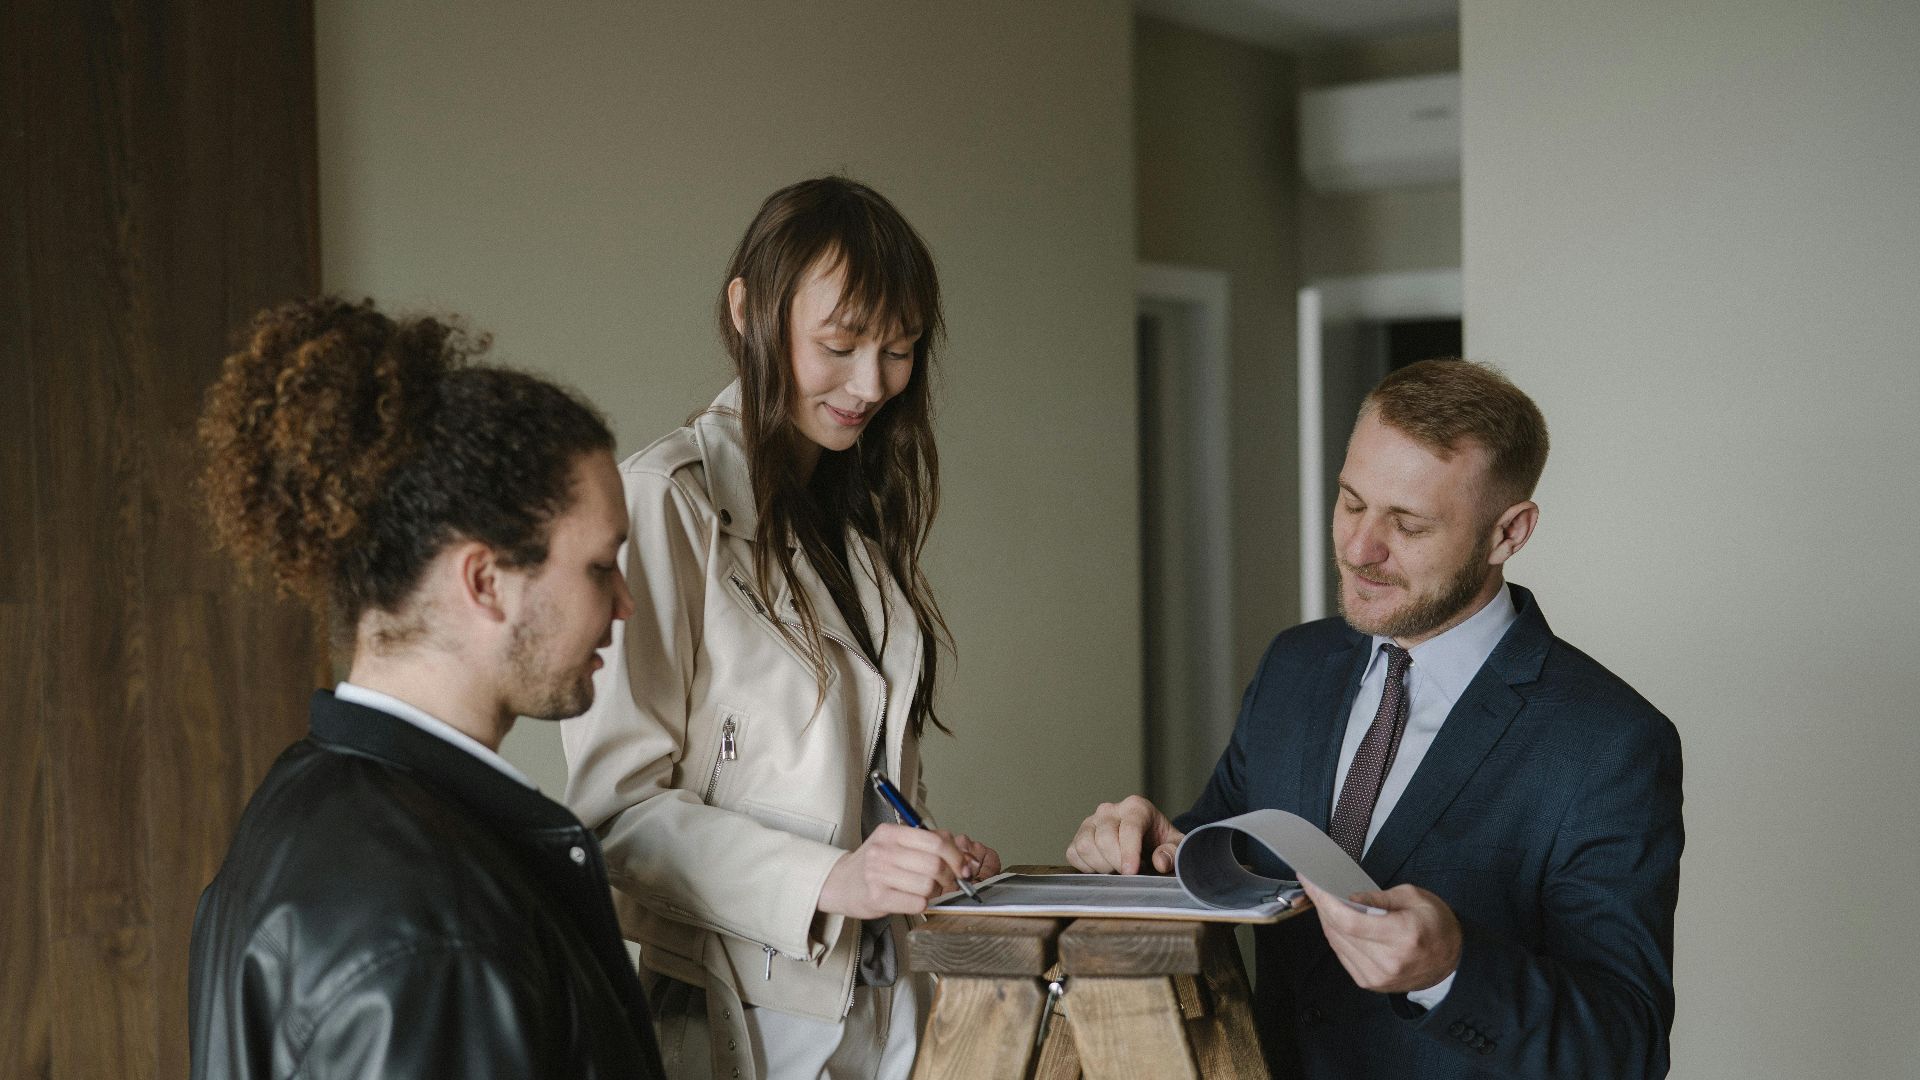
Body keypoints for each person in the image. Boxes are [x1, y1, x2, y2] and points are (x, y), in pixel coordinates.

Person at [1067, 359, 1683, 1080]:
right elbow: (1230, 847)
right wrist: (1152, 848)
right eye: (1351, 502)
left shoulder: (1609, 742)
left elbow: (1625, 1045)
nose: (1360, 549)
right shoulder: (1294, 666)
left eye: (1409, 524)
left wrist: (1452, 968)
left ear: (1508, 534)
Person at [563, 177, 1000, 1080]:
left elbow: (823, 776)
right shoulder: (665, 502)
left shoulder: (849, 513)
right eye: (840, 345)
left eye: (900, 350)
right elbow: (616, 814)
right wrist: (831, 881)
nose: (872, 383)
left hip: (878, 1008)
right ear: (748, 311)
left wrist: (909, 851)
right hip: (739, 1024)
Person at [188, 297, 665, 1080]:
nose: (624, 603)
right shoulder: (437, 928)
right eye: (599, 566)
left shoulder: (302, 797)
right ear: (486, 581)